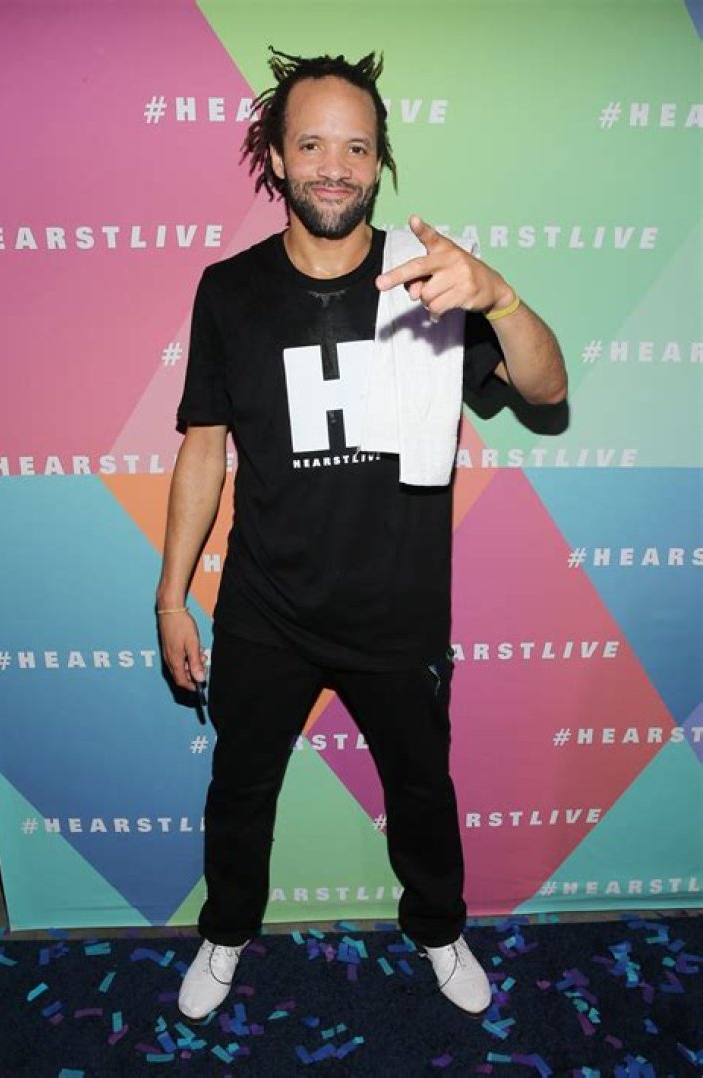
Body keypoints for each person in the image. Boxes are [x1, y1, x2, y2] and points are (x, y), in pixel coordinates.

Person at [156, 49, 567, 1023]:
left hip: (400, 613)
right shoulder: (229, 291)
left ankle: (439, 927)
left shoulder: (434, 284)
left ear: (379, 161)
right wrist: (171, 595)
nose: (333, 167)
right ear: (276, 156)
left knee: (422, 793)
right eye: (311, 145)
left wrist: (500, 297)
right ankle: (227, 929)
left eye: (355, 147)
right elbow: (203, 449)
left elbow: (547, 390)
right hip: (264, 609)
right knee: (238, 791)